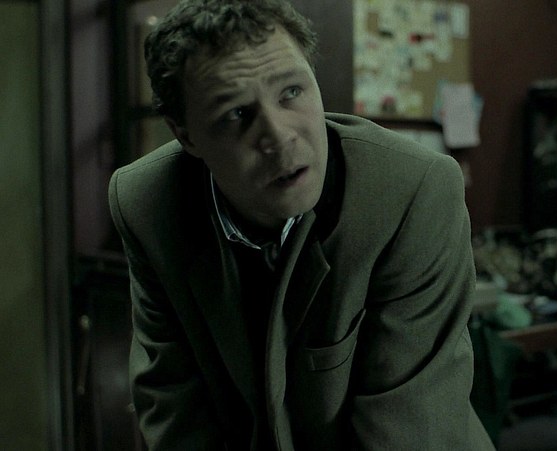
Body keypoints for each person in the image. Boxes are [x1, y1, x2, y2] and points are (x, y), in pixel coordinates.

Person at [108, 0, 495, 449]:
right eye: (236, 114)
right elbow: (175, 403)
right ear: (186, 135)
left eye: (291, 92)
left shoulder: (412, 191)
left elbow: (408, 428)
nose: (279, 136)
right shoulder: (147, 203)